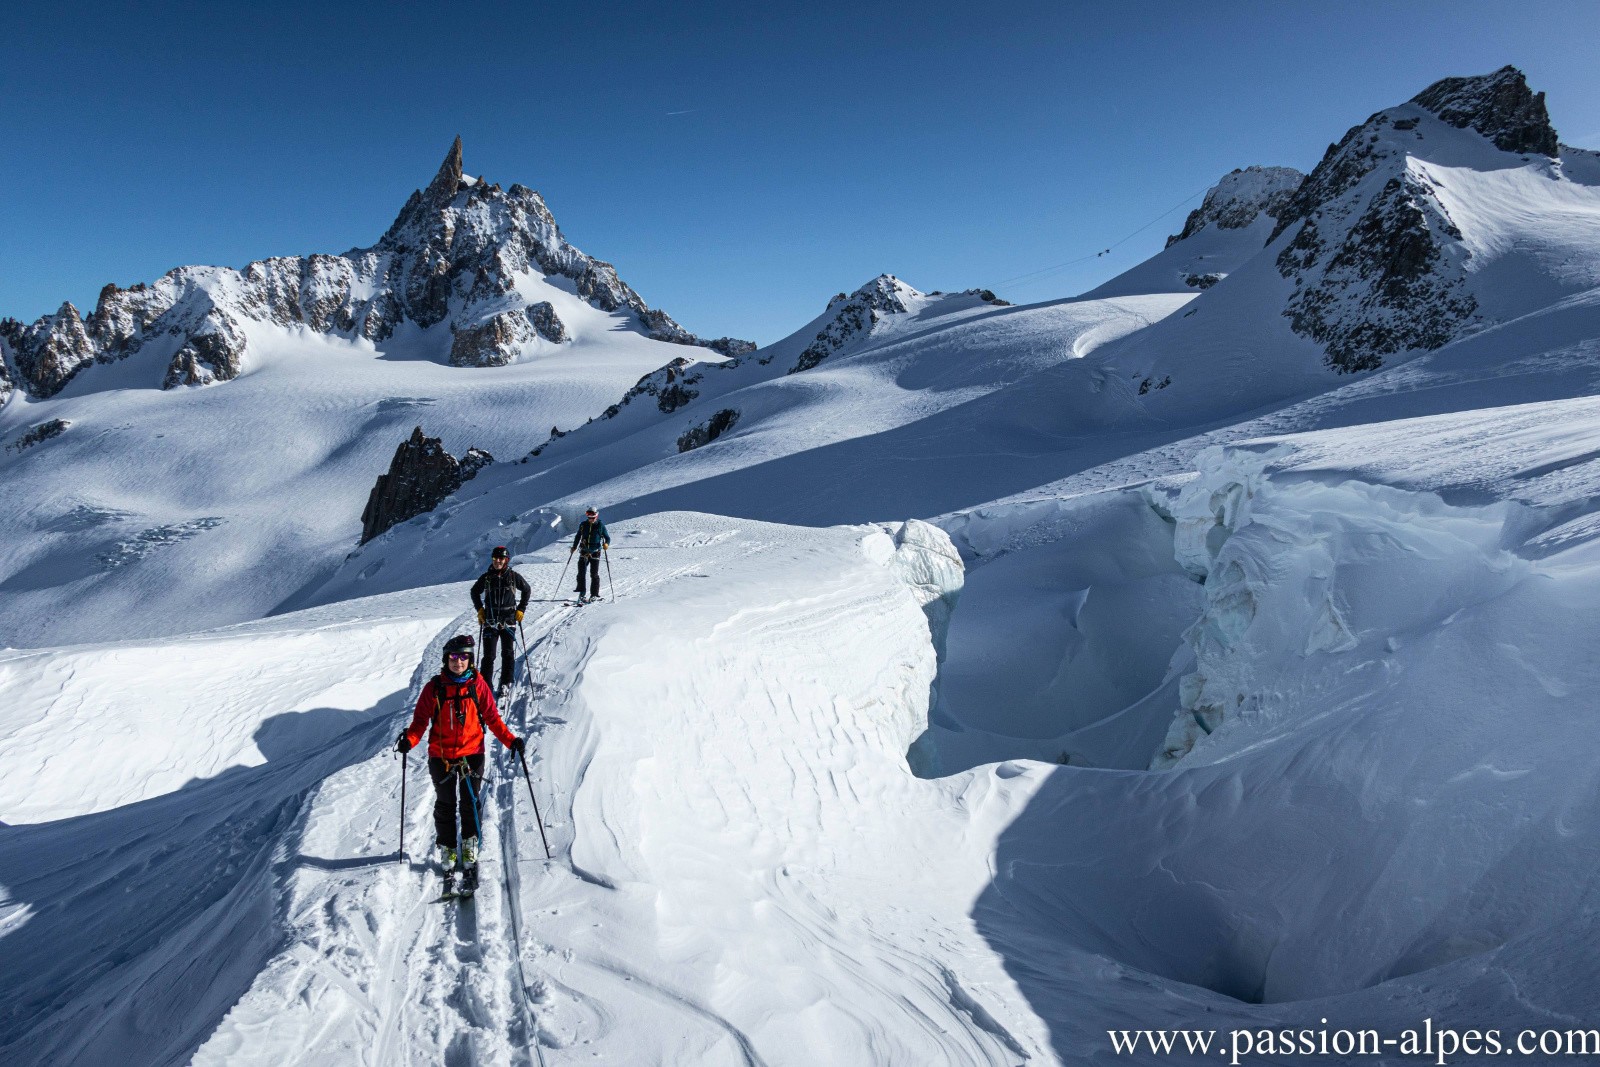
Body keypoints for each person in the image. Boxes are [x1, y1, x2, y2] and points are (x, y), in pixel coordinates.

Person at [396, 634, 525, 889]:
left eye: (464, 657)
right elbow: (420, 721)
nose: (458, 662)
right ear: (446, 659)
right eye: (454, 657)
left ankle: (469, 848)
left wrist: (511, 740)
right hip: (441, 757)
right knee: (445, 805)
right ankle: (448, 851)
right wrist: (409, 740)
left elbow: (492, 717)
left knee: (470, 804)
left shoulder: (478, 685)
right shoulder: (433, 688)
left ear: (470, 660)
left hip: (472, 754)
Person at [470, 546, 530, 698]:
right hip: (490, 620)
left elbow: (527, 590)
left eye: (501, 559)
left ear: (506, 560)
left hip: (508, 620)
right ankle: (485, 686)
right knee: (489, 656)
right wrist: (480, 609)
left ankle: (505, 683)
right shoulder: (487, 577)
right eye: (495, 558)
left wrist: (521, 609)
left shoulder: (513, 576)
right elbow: (474, 592)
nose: (497, 561)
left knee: (508, 653)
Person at [570, 507, 610, 602]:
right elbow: (578, 536)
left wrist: (606, 544)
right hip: (584, 551)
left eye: (592, 517)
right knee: (581, 573)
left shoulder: (600, 526)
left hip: (595, 552)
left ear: (596, 516)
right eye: (588, 516)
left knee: (594, 574)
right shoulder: (583, 525)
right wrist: (574, 546)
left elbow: (607, 538)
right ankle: (582, 593)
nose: (590, 519)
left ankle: (594, 594)